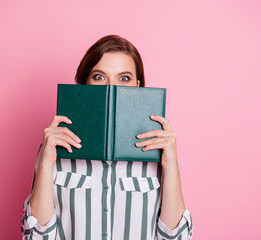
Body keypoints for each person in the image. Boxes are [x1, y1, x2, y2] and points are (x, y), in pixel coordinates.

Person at [21, 35, 193, 240]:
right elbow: (35, 237)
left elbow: (177, 238)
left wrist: (170, 163)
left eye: (124, 78)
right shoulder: (55, 146)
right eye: (99, 77)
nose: (111, 87)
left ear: (138, 85)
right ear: (84, 83)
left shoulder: (158, 148)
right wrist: (47, 162)